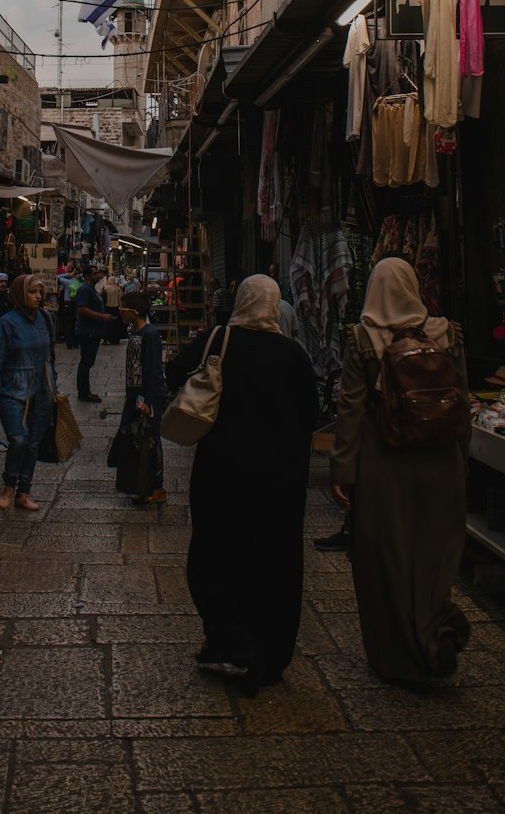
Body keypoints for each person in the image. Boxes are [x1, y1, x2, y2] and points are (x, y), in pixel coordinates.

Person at [331, 256, 471, 688]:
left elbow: (351, 407)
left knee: (387, 555)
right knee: (435, 550)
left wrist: (343, 469)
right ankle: (435, 631)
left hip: (384, 464)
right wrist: (461, 459)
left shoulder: (362, 339)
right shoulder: (446, 334)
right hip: (440, 462)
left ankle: (396, 654)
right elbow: (461, 401)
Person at [182, 274, 318, 695]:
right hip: (279, 480)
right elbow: (311, 415)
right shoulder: (294, 355)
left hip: (221, 472)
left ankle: (227, 637)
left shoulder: (218, 340)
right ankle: (268, 648)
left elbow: (175, 375)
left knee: (215, 551)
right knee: (271, 560)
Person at [0, 275, 57, 512]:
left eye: (40, 292)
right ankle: (9, 485)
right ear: (20, 294)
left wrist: (53, 384)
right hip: (14, 389)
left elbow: (51, 355)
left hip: (42, 390)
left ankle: (24, 491)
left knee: (34, 443)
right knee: (18, 439)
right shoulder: (7, 322)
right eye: (33, 292)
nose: (38, 296)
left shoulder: (45, 319)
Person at [117, 292, 166, 504]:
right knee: (135, 439)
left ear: (133, 312)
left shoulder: (150, 334)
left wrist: (147, 400)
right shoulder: (135, 332)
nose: (120, 311)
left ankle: (157, 486)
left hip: (147, 397)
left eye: (123, 308)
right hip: (134, 396)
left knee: (150, 440)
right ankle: (139, 483)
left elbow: (152, 369)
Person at [74, 264, 114, 402]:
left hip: (93, 332)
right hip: (87, 332)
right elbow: (82, 309)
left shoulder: (91, 289)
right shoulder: (85, 290)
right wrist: (102, 317)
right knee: (85, 363)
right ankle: (83, 393)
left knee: (87, 363)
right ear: (87, 276)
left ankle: (86, 391)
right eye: (95, 273)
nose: (98, 275)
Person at [102, 270, 124, 344]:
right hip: (115, 308)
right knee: (116, 324)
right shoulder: (118, 288)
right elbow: (122, 298)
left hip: (107, 308)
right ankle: (115, 339)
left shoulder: (105, 287)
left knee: (107, 324)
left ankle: (106, 338)